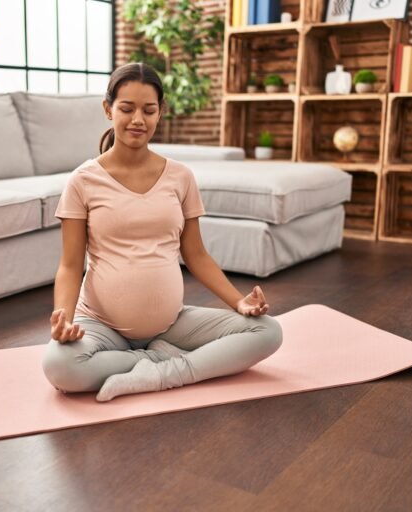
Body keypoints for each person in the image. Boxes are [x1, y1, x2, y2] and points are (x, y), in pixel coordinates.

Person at [41, 62, 282, 402]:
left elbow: (196, 255)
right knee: (59, 365)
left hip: (171, 324)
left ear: (160, 113)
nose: (138, 120)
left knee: (268, 331)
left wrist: (239, 302)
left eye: (148, 110)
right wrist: (63, 321)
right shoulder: (83, 180)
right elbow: (69, 265)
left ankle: (162, 374)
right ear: (108, 109)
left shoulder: (180, 177)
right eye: (127, 108)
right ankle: (157, 360)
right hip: (100, 325)